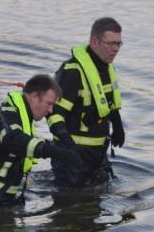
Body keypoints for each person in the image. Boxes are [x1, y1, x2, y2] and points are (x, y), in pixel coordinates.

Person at [0, 74, 81, 212]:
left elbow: (29, 141)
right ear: (34, 97)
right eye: (49, 104)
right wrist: (58, 153)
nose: (51, 111)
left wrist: (66, 146)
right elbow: (15, 140)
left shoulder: (22, 117)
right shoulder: (5, 113)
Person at [47, 17, 125, 187]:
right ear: (94, 42)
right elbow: (53, 114)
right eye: (111, 43)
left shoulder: (107, 68)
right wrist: (69, 146)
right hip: (72, 157)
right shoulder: (72, 72)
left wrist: (118, 126)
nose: (115, 49)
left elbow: (107, 103)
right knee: (72, 206)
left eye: (119, 44)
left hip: (98, 155)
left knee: (96, 206)